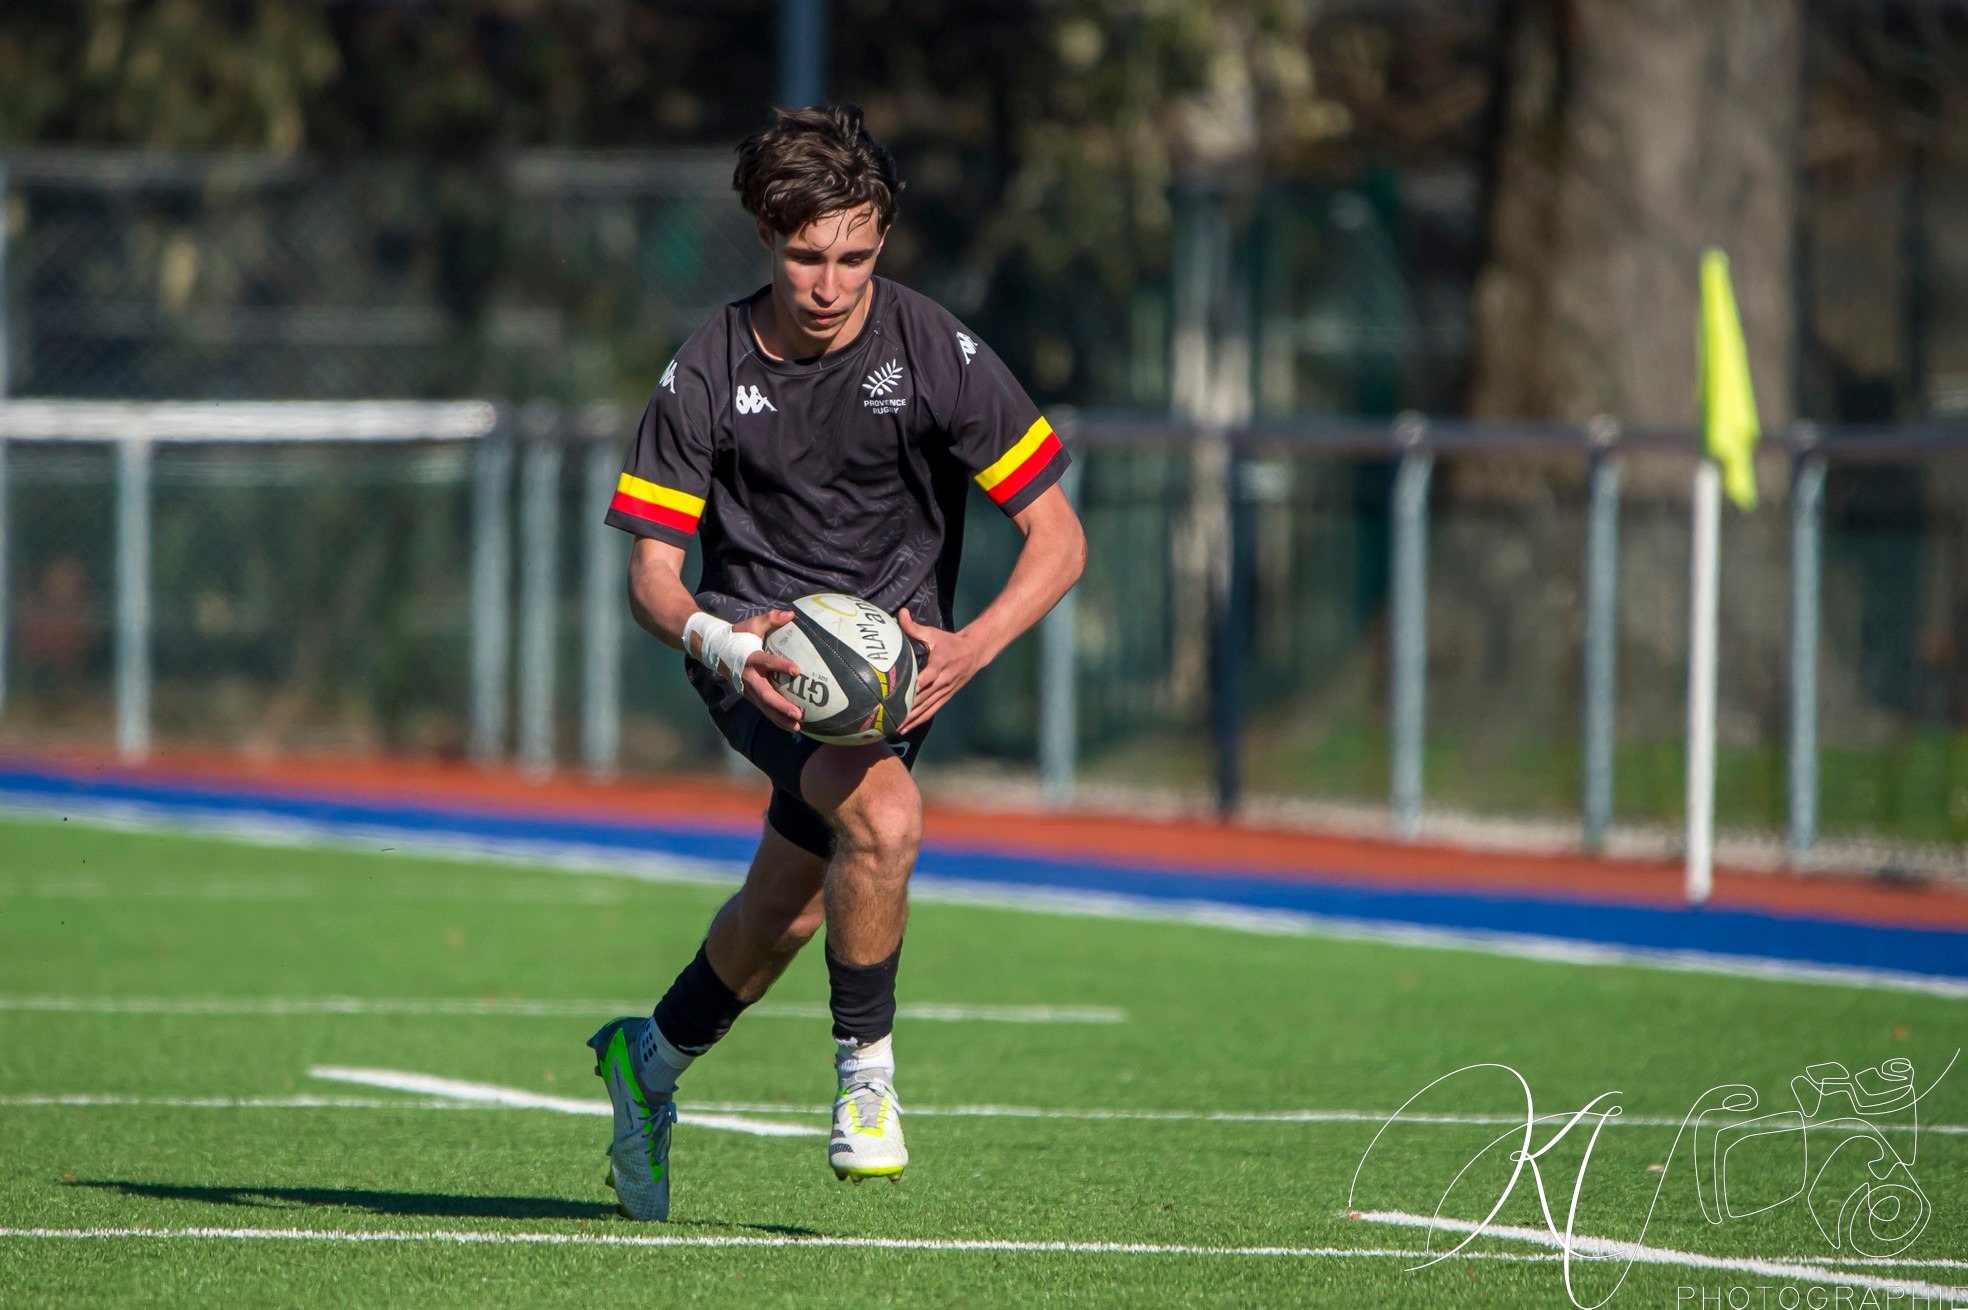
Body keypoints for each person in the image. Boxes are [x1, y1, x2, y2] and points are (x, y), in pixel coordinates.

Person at [588, 103, 1086, 1221]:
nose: (831, 282)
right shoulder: (707, 368)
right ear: (769, 236)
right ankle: (867, 1078)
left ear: (882, 240)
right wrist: (724, 640)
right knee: (888, 819)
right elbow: (653, 582)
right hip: (754, 655)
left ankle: (647, 1062)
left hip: (901, 668)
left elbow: (1060, 538)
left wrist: (972, 646)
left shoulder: (933, 350)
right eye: (808, 255)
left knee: (792, 910)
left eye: (855, 255)